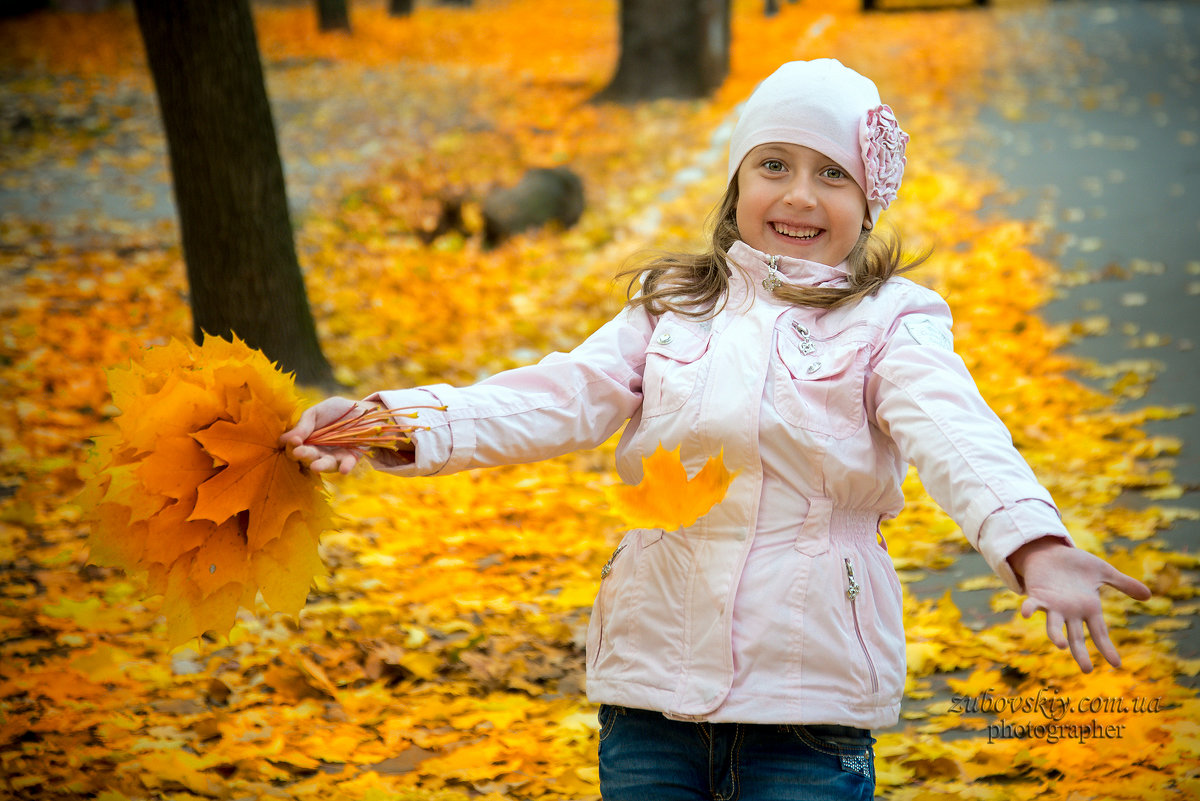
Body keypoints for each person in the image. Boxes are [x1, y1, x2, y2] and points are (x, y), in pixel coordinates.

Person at [282, 59, 1151, 800]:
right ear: (737, 182)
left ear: (868, 200)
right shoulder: (672, 307)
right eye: (773, 163)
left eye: (832, 173)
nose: (798, 194)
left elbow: (956, 432)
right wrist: (383, 424)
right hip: (651, 692)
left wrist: (1034, 543)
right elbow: (547, 397)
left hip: (808, 706)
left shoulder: (891, 321)